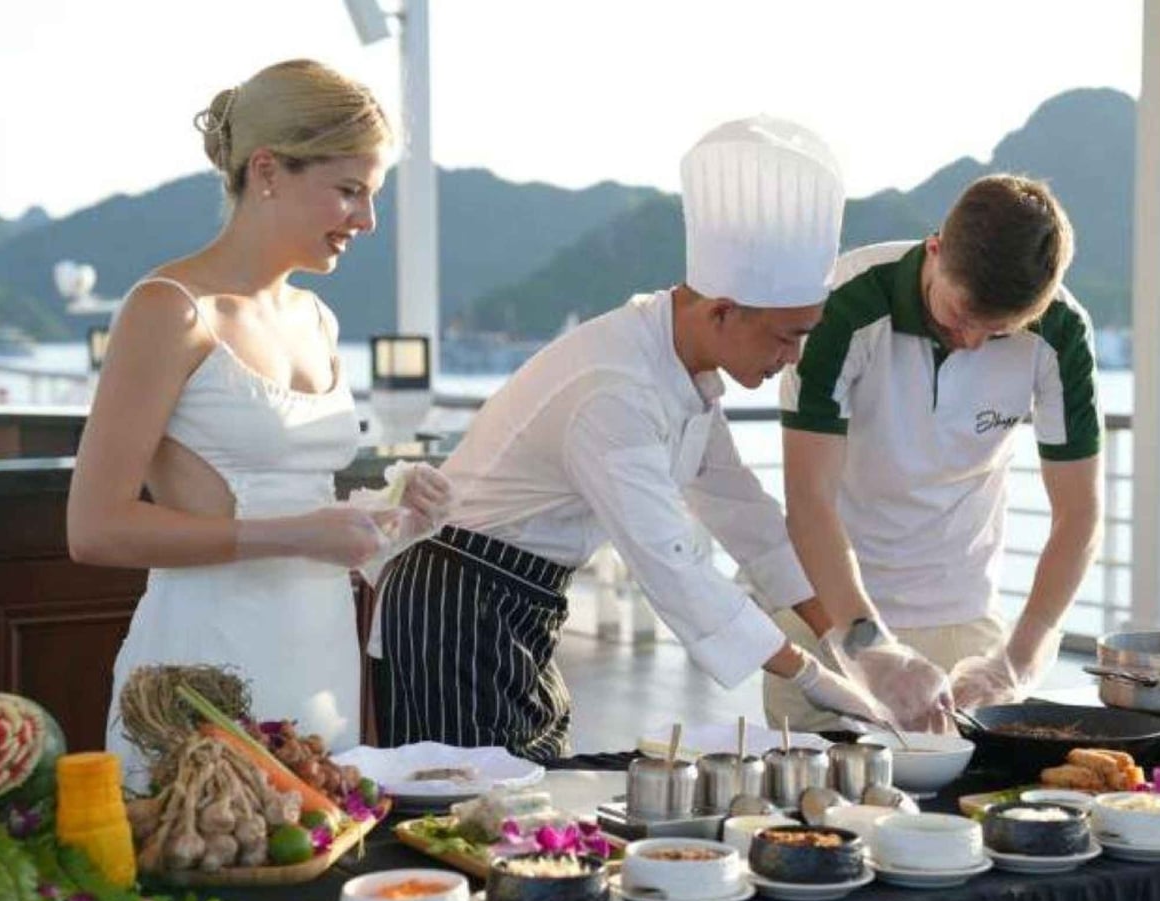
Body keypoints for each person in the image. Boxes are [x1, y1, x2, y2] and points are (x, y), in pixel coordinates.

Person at [373, 116, 951, 761]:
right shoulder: (615, 389)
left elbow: (750, 519)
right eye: (787, 336)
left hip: (523, 605)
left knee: (528, 788)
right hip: (456, 604)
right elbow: (673, 563)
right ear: (722, 312)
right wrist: (813, 678)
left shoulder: (683, 368)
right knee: (469, 801)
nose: (793, 358)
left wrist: (860, 646)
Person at [68, 59, 449, 782]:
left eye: (372, 195)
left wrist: (393, 523)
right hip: (199, 674)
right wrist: (296, 533)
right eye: (349, 190)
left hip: (320, 663)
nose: (367, 220)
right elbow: (93, 528)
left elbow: (302, 512)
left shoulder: (318, 318)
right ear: (268, 170)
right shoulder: (169, 309)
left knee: (323, 847)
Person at [763, 174, 1104, 730]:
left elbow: (1079, 513)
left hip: (964, 620)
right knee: (816, 783)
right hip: (826, 613)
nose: (972, 342)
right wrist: (868, 648)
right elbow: (809, 499)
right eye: (960, 317)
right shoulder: (842, 306)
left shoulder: (1061, 331)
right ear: (936, 249)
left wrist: (1015, 661)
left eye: (999, 332)